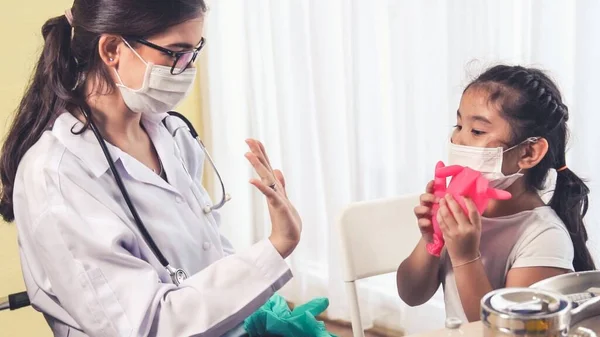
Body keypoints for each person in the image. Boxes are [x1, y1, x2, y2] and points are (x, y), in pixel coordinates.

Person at [0, 1, 302, 336]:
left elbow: (209, 256)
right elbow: (146, 325)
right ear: (113, 49)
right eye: (176, 53)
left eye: (194, 54)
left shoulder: (171, 134)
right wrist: (275, 248)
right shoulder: (56, 176)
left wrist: (258, 311)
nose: (187, 69)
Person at [396, 65, 596, 323]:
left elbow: (501, 332)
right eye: (458, 125)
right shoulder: (461, 213)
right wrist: (432, 241)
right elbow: (410, 295)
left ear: (528, 153)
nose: (458, 140)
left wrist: (465, 257)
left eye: (477, 131)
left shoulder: (544, 237)